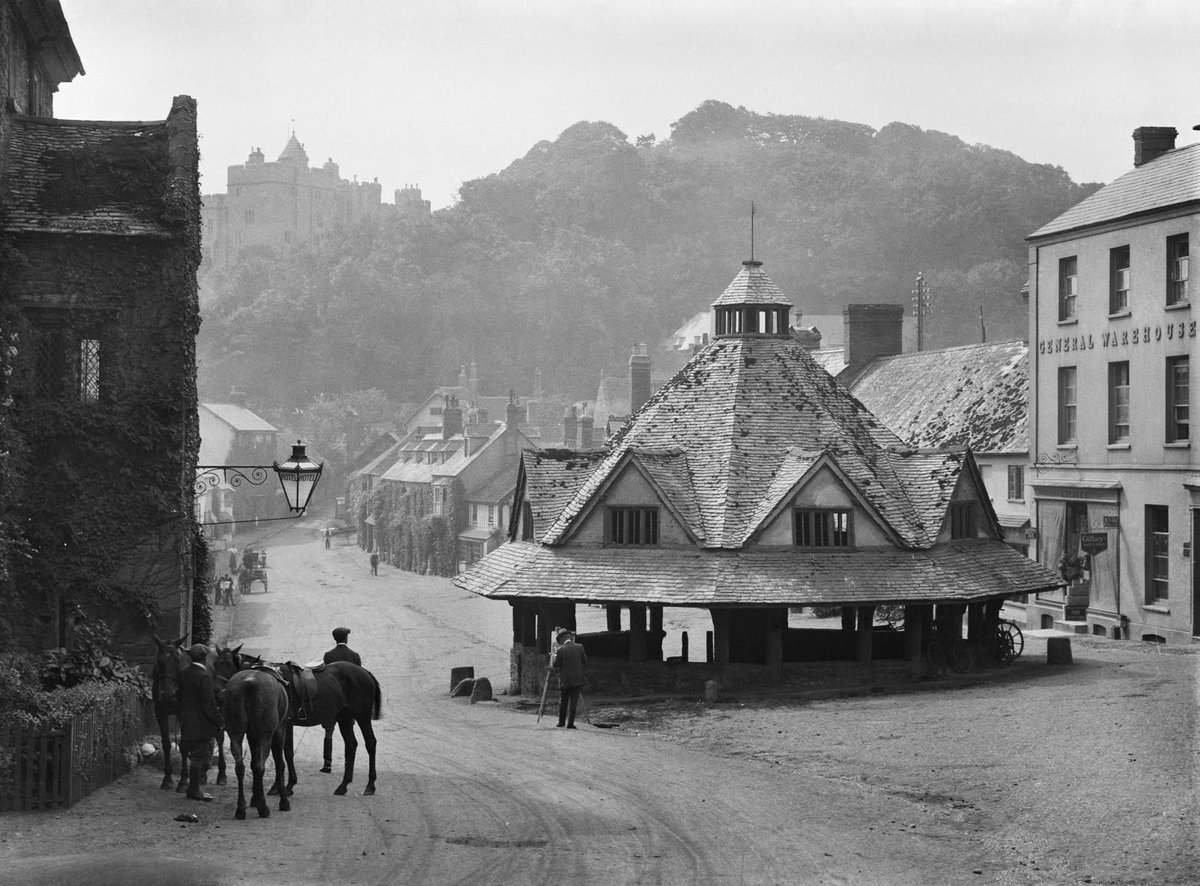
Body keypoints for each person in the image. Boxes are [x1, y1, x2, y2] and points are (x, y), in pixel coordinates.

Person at [178, 644, 222, 802]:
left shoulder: (183, 674)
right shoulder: (203, 676)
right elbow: (208, 703)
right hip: (201, 724)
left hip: (186, 722)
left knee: (193, 755)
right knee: (198, 757)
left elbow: (180, 697)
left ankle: (192, 787)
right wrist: (219, 721)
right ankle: (194, 789)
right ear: (204, 658)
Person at [320, 628, 361, 773]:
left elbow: (324, 679)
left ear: (335, 639)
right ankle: (347, 764)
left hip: (331, 700)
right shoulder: (354, 656)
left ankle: (327, 763)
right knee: (348, 733)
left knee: (328, 732)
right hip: (348, 701)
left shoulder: (328, 655)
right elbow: (358, 681)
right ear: (346, 638)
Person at [554, 630, 587, 729]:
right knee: (573, 702)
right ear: (570, 637)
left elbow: (556, 664)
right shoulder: (579, 647)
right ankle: (570, 723)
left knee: (563, 701)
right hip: (578, 679)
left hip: (566, 680)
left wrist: (553, 659)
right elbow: (584, 660)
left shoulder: (560, 650)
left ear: (561, 639)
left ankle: (561, 722)